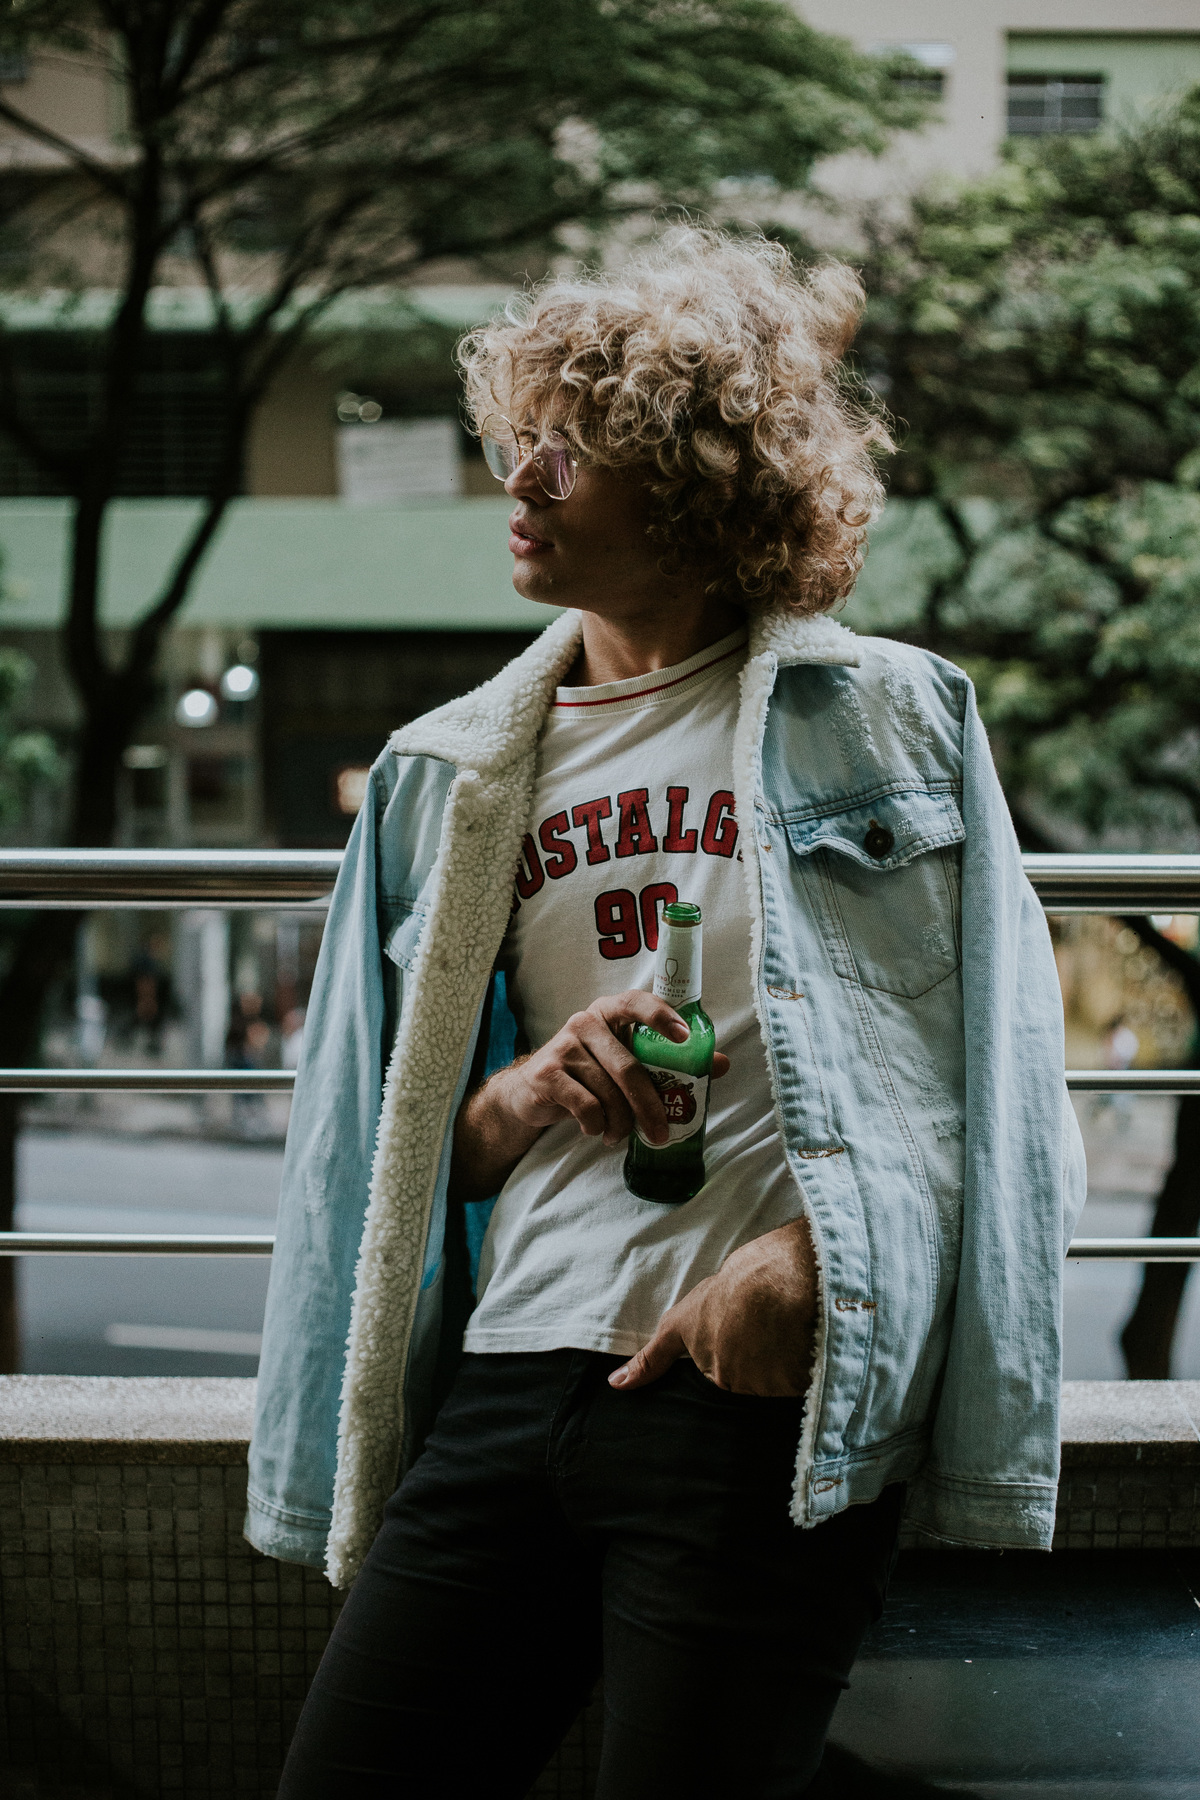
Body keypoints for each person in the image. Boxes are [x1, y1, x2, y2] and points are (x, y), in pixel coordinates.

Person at [248, 229, 1086, 1798]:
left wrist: (820, 1266)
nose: (523, 483)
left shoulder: (890, 722)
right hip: (506, 1380)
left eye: (569, 449)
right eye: (521, 444)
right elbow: (395, 1160)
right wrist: (536, 1086)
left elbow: (1001, 1082)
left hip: (740, 1400)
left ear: (698, 478)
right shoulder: (449, 772)